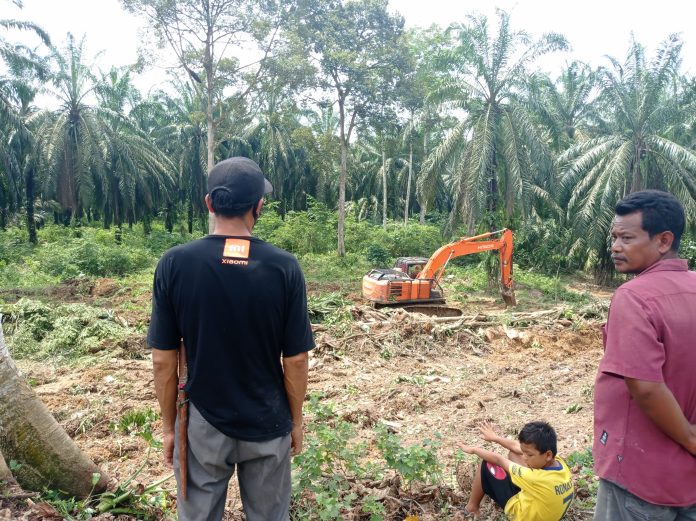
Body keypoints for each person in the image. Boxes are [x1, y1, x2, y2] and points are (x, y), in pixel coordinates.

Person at [148, 156, 315, 521]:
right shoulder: (284, 267)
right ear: (258, 206)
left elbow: (163, 360)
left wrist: (169, 427)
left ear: (209, 203)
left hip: (202, 422)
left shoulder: (175, 264)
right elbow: (297, 359)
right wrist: (296, 420)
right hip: (268, 421)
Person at [593, 189, 696, 520]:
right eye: (613, 237)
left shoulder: (634, 297)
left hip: (640, 476)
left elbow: (646, 388)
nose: (615, 246)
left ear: (664, 241)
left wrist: (691, 439)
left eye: (626, 237)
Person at [459, 421, 574, 520]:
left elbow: (498, 460)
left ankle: (472, 508)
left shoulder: (535, 477)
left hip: (521, 516)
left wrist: (473, 450)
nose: (524, 457)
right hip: (546, 508)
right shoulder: (560, 463)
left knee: (487, 464)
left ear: (548, 454)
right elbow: (516, 447)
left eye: (529, 455)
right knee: (514, 453)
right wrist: (495, 438)